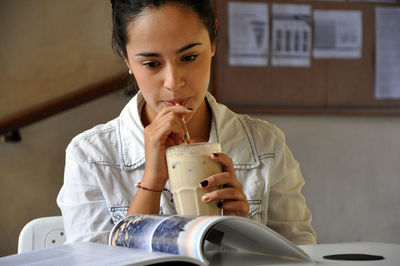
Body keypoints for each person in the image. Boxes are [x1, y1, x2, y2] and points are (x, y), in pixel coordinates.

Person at [57, 0, 316, 245]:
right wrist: (152, 182)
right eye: (151, 63)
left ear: (213, 40)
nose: (174, 82)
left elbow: (302, 253)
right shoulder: (90, 156)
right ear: (126, 58)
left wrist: (243, 235)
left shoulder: (266, 146)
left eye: (189, 57)